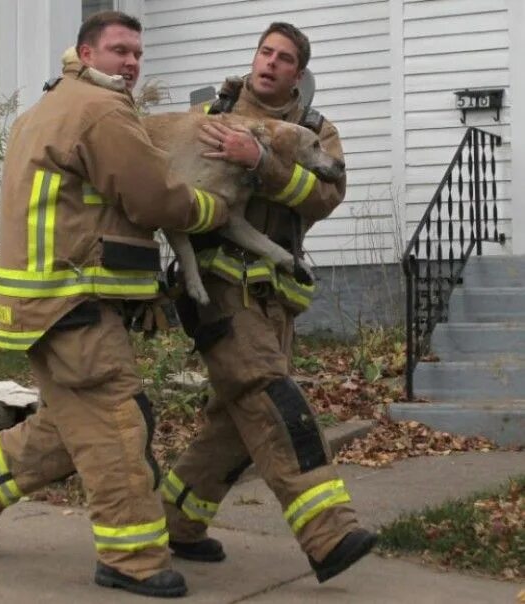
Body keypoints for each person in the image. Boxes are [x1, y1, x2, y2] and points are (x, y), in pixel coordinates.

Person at [0, 11, 233, 599]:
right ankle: (131, 559)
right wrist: (213, 211)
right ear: (86, 52)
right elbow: (154, 197)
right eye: (119, 51)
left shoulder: (51, 104)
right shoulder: (99, 109)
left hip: (45, 303)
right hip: (70, 299)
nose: (130, 63)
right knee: (113, 426)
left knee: (69, 423)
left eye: (137, 54)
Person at [162, 22, 377, 583]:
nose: (270, 63)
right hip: (217, 291)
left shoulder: (315, 130)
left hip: (277, 298)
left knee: (232, 423)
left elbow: (325, 196)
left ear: (297, 74)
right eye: (265, 52)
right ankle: (329, 533)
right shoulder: (213, 113)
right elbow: (172, 186)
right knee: (270, 399)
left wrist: (262, 162)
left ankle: (176, 520)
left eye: (283, 58)